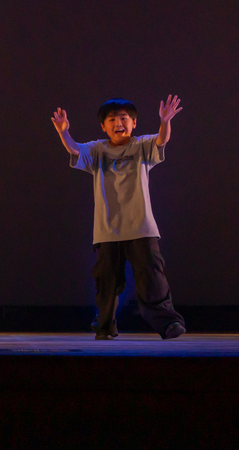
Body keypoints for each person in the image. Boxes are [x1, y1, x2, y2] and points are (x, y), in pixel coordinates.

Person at [51, 95, 186, 340]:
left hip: (141, 228)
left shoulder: (141, 145)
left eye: (124, 118)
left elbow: (161, 140)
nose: (118, 123)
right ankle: (105, 327)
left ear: (134, 123)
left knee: (152, 279)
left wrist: (165, 121)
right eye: (112, 120)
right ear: (104, 126)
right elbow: (75, 149)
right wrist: (63, 132)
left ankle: (168, 323)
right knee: (107, 282)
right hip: (107, 230)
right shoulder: (97, 149)